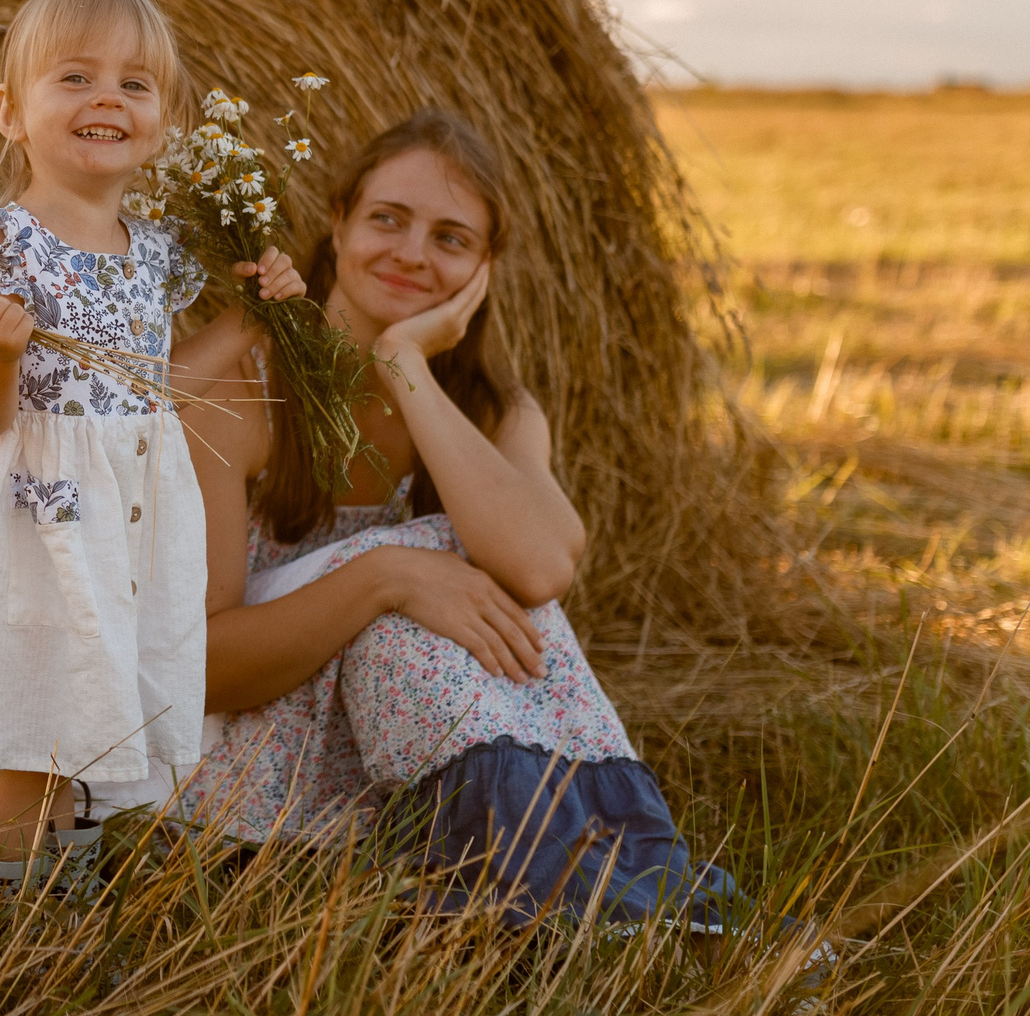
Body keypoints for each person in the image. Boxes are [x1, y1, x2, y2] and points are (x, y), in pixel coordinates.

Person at [154, 106, 739, 926]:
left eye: (451, 238)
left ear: (485, 268)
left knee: (479, 554)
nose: (411, 253)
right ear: (338, 222)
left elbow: (540, 568)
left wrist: (404, 365)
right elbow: (201, 668)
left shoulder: (496, 411)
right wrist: (388, 577)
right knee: (424, 550)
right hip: (247, 788)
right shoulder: (241, 397)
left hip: (402, 775)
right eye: (388, 219)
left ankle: (556, 888)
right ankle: (584, 888)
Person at [0, 0, 302, 897]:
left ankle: (48, 898)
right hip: (32, 517)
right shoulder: (0, 247)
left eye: (135, 84)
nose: (107, 99)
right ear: (11, 111)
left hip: (123, 518)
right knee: (48, 727)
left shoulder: (155, 252)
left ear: (163, 120)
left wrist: (249, 324)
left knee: (87, 718)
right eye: (75, 78)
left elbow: (153, 391)